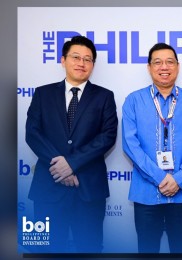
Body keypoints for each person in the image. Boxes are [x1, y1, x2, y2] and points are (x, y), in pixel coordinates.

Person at [25, 35, 118, 253]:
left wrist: (72, 164)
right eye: (76, 57)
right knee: (47, 249)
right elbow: (33, 133)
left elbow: (107, 136)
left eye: (87, 59)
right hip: (49, 186)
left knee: (90, 247)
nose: (81, 63)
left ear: (93, 65)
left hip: (88, 189)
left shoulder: (104, 96)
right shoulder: (42, 93)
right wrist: (61, 167)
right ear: (63, 60)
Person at [122, 43, 182, 253]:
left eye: (170, 62)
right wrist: (160, 178)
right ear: (149, 67)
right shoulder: (133, 100)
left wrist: (179, 179)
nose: (164, 67)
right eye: (157, 62)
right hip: (146, 194)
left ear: (178, 66)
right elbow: (130, 145)